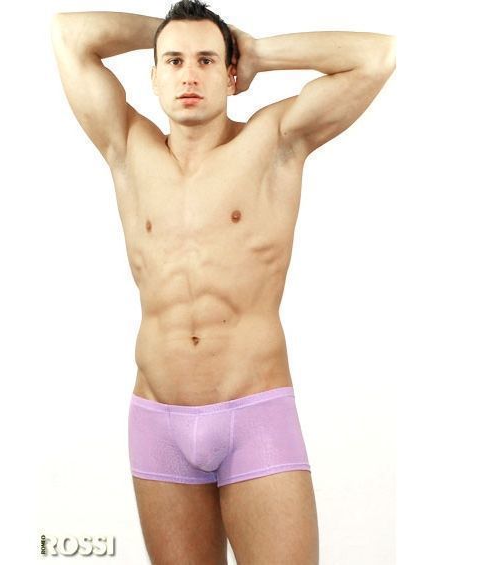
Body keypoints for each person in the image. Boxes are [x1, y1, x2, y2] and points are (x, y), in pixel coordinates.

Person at [51, 1, 395, 562]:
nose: (189, 74)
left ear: (231, 74)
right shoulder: (128, 147)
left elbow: (377, 57)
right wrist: (175, 35)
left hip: (254, 414)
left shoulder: (273, 140)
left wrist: (254, 50)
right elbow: (69, 34)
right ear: (154, 75)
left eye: (207, 61)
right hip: (157, 419)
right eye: (174, 61)